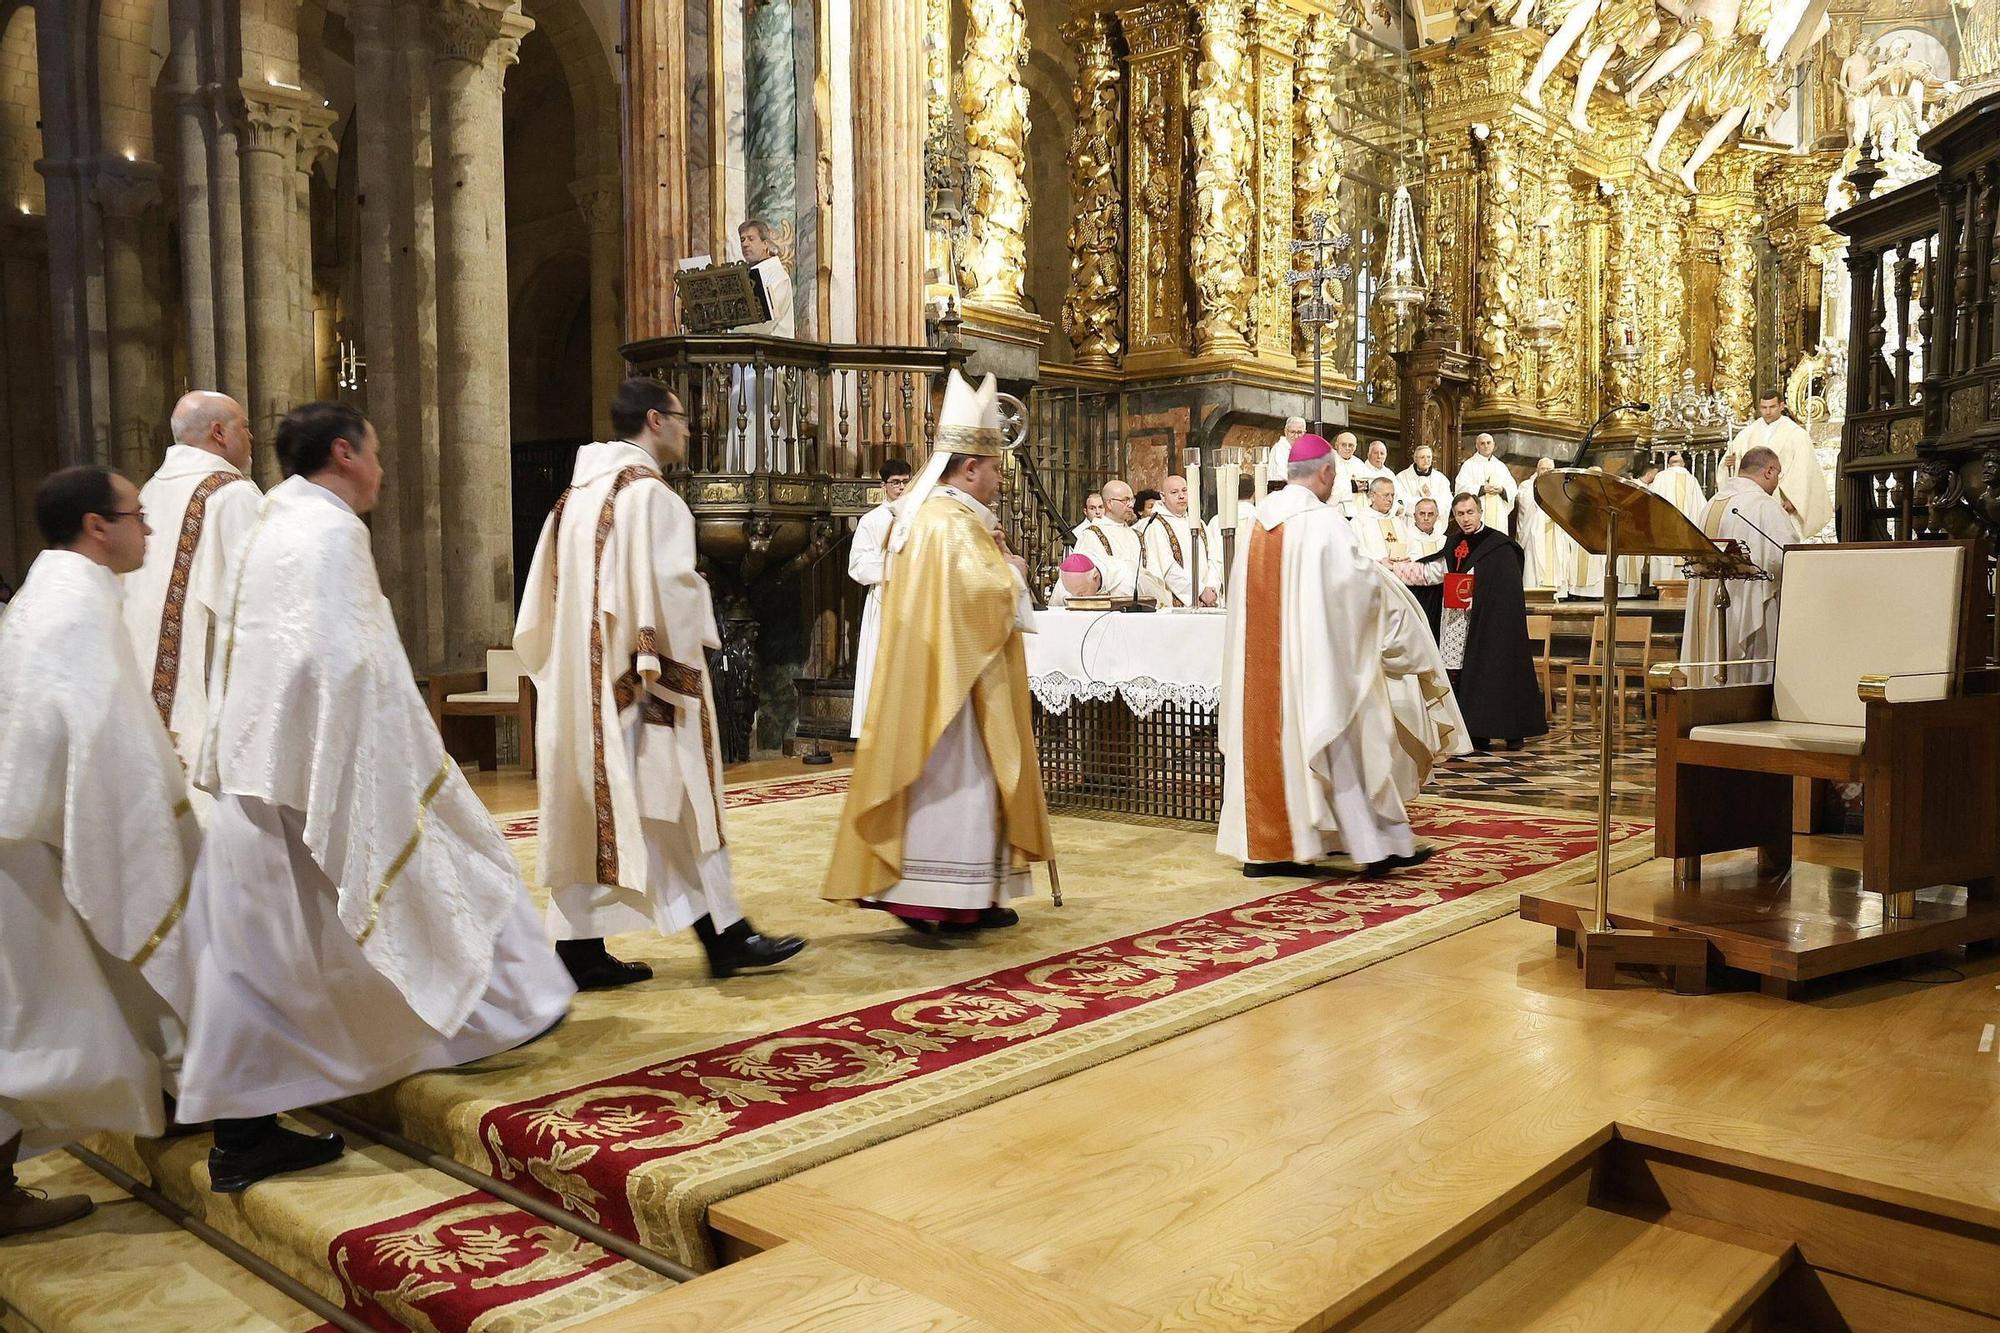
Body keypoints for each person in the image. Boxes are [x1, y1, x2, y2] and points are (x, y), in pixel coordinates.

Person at [177, 402, 574, 1192]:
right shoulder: (328, 532)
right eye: (378, 453)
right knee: (425, 883)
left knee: (263, 955)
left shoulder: (271, 523)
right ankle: (505, 1012)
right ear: (343, 452)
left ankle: (247, 1128)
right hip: (310, 769)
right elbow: (353, 665)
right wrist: (392, 763)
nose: (384, 471)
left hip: (260, 765)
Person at [516, 379, 806, 987]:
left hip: (584, 689)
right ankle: (727, 939)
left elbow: (542, 600)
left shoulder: (572, 499)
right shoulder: (652, 496)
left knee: (595, 810)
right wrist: (692, 627)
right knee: (682, 802)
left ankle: (580, 949)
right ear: (654, 420)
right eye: (682, 418)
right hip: (645, 686)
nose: (689, 428)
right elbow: (672, 594)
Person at [0, 466, 201, 1234]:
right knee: (36, 1026)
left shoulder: (49, 591)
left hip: (30, 835)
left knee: (34, 1020)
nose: (147, 529)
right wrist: (159, 818)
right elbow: (98, 741)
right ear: (96, 525)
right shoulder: (74, 608)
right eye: (137, 516)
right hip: (38, 847)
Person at [824, 371, 1054, 932]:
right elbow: (981, 595)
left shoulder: (931, 516)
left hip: (936, 677)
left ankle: (949, 896)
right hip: (957, 688)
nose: (1000, 481)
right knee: (963, 784)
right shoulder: (949, 523)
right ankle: (943, 899)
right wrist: (1015, 571)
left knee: (951, 785)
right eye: (995, 469)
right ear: (969, 467)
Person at [1218, 435, 1458, 879]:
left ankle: (1271, 850)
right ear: (1326, 473)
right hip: (1317, 666)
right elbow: (1361, 591)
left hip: (1267, 674)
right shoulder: (1322, 523)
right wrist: (1400, 628)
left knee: (1301, 746)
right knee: (1348, 739)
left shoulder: (1254, 524)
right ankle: (1379, 845)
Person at [121, 391, 262, 793]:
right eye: (244, 426)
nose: (251, 437)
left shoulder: (148, 491)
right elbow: (256, 602)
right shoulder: (231, 494)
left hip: (144, 692)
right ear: (219, 432)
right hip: (203, 688)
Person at [1398, 494, 1548, 750]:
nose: (1466, 518)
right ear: (1454, 517)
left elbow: (1505, 589)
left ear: (1480, 512)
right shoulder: (1454, 543)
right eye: (1460, 514)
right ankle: (1474, 731)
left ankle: (1512, 732)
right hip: (1456, 623)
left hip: (1491, 624)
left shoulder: (1499, 546)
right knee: (1463, 675)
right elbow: (1433, 574)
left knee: (1498, 673)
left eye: (1470, 512)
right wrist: (1393, 570)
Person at [1681, 446, 1792, 686]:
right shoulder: (1763, 505)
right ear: (1770, 471)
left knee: (1713, 650)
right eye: (1778, 475)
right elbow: (1785, 558)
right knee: (1748, 667)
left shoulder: (1711, 504)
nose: (1776, 483)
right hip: (1747, 607)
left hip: (1711, 603)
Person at [849, 458, 913, 739]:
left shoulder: (919, 515)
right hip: (884, 600)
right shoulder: (871, 521)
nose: (901, 487)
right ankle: (881, 731)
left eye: (905, 481)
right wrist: (891, 566)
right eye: (895, 482)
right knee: (881, 664)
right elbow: (857, 565)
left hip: (914, 599)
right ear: (883, 485)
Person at [1725, 389, 1831, 539]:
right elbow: (1735, 461)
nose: (1767, 412)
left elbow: (1804, 469)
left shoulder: (1796, 434)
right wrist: (1730, 463)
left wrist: (1794, 499)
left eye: (1772, 407)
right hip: (1750, 499)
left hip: (1780, 498)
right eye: (1763, 407)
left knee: (1777, 538)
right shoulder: (1747, 433)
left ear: (1781, 406)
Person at [1140, 474, 1218, 607]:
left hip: (1208, 597)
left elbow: (1214, 559)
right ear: (1163, 496)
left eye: (1184, 490)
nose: (1181, 496)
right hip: (1179, 601)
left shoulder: (1198, 522)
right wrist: (1199, 591)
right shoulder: (1156, 525)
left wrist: (1211, 587)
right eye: (1174, 492)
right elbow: (1167, 567)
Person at [1648, 450, 1711, 583]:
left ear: (1669, 464)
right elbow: (1701, 506)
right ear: (1683, 465)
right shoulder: (1691, 479)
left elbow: (1650, 501)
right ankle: (1683, 583)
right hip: (1686, 529)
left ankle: (1662, 585)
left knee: (1665, 555)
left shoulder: (1661, 477)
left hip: (1665, 527)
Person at [734, 219, 794, 339]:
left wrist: (729, 329)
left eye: (751, 239)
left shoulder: (777, 276)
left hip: (771, 350)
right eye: (742, 240)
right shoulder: (744, 274)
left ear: (765, 243)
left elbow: (765, 323)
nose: (745, 244)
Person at [1047, 550, 1170, 608]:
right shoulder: (1069, 579)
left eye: (1081, 593)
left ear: (1095, 578)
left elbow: (1161, 608)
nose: (1077, 598)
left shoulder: (1130, 577)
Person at [1453, 433, 1517, 534]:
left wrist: (1502, 490)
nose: (1486, 446)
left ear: (1494, 446)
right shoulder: (1469, 465)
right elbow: (1461, 488)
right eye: (1482, 443)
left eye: (1488, 443)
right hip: (1478, 511)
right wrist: (1482, 489)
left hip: (1498, 515)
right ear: (1477, 446)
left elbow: (1512, 488)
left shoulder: (1500, 466)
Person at [1076, 478, 1142, 567]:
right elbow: (1082, 573)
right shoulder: (1092, 536)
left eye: (1132, 500)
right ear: (1109, 503)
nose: (1131, 505)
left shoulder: (1136, 535)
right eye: (1125, 500)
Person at [1352, 477, 1419, 561]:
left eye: (1392, 495)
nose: (1390, 499)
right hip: (1375, 572)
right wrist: (1380, 562)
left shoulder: (1397, 521)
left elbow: (1412, 549)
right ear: (1372, 496)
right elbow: (1356, 554)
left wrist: (1409, 559)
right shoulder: (1359, 522)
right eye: (1386, 495)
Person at [1515, 456, 1556, 589]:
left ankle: (1556, 590)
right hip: (1534, 527)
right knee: (1533, 561)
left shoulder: (1557, 484)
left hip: (1553, 528)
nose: (1545, 471)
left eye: (1549, 469)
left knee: (1553, 558)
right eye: (1543, 468)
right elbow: (1523, 502)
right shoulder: (1527, 485)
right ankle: (1533, 587)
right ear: (1537, 470)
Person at [1396, 443, 1454, 517]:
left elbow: (1447, 500)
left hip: (1435, 521)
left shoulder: (1440, 478)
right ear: (1415, 459)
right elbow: (1402, 500)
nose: (1426, 460)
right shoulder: (1402, 477)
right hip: (1411, 522)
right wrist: (1422, 509)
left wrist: (1432, 510)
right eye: (1422, 457)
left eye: (1429, 457)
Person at [1330, 431, 1367, 517]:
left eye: (1351, 445)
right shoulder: (1330, 460)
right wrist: (1352, 486)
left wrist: (1366, 486)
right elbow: (1329, 487)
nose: (1347, 448)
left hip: (1356, 513)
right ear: (1336, 445)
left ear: (1355, 447)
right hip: (1336, 511)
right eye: (1343, 445)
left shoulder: (1359, 464)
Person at [1353, 440, 1398, 508]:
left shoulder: (1389, 474)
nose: (1379, 456)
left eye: (1382, 453)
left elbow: (1398, 493)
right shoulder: (1360, 470)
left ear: (1386, 456)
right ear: (1368, 455)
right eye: (1375, 453)